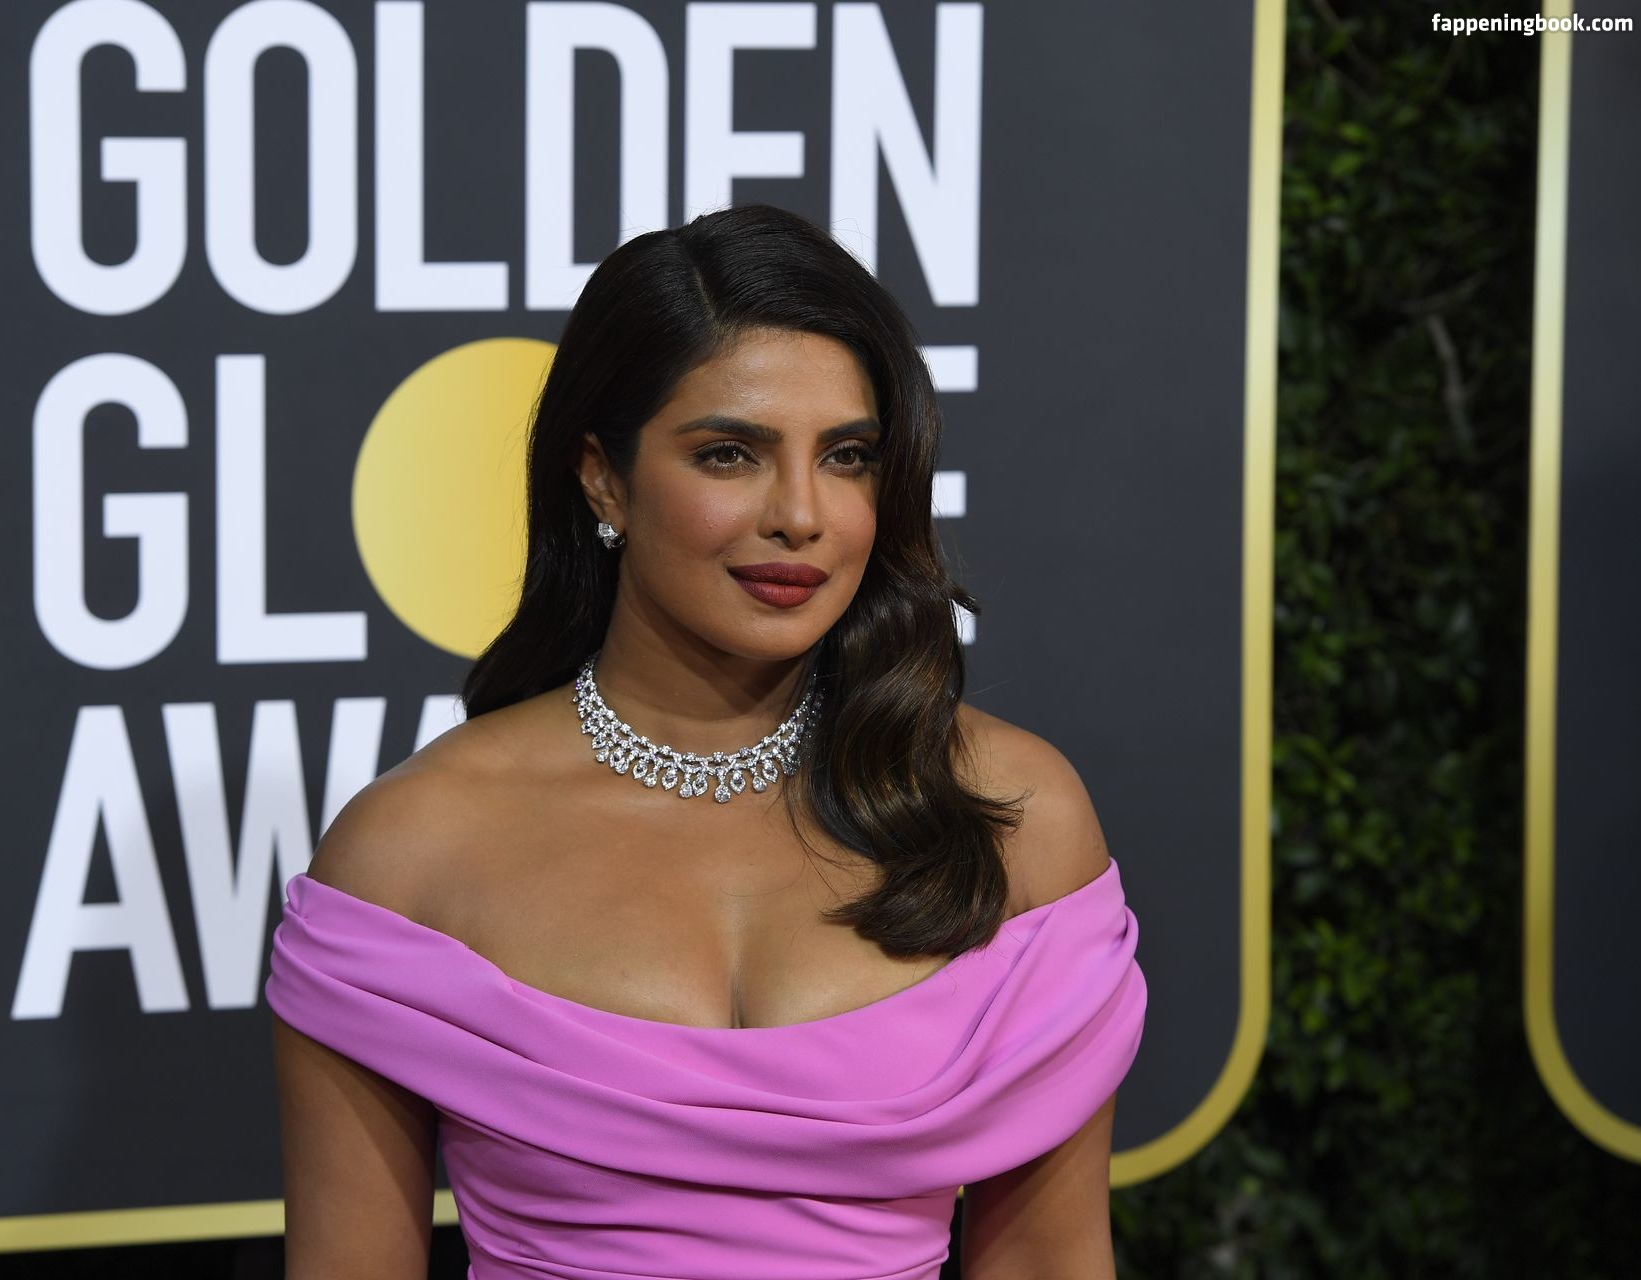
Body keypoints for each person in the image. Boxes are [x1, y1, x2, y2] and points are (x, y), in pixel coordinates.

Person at [265, 202, 1146, 1279]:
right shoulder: (410, 854)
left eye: (848, 457)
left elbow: (1051, 1259)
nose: (800, 514)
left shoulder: (1011, 815)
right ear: (603, 476)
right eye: (730, 454)